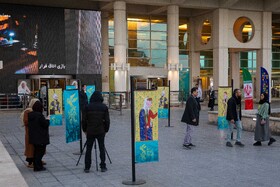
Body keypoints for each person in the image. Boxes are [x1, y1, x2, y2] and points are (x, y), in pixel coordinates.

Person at [82, 91, 110, 173]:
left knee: (88, 149)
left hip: (90, 130)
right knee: (101, 148)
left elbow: (83, 120)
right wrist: (106, 130)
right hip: (101, 130)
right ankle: (103, 166)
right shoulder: (104, 107)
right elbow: (107, 120)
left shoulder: (87, 107)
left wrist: (84, 130)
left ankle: (87, 167)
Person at [28, 100, 50, 171]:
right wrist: (48, 119)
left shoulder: (30, 115)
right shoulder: (39, 116)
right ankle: (38, 167)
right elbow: (45, 124)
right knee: (40, 152)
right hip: (40, 137)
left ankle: (37, 165)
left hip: (34, 137)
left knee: (36, 152)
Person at [20, 98, 39, 168]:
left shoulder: (36, 110)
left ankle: (37, 160)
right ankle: (30, 162)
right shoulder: (28, 111)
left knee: (37, 147)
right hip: (30, 132)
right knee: (30, 147)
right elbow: (26, 121)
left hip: (36, 132)